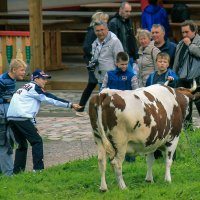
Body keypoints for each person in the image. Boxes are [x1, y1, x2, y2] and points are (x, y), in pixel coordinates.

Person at [7, 69, 81, 173]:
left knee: (22, 145)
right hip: (21, 117)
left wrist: (33, 124)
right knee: (37, 141)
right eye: (43, 79)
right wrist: (70, 104)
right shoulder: (35, 87)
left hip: (12, 117)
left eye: (46, 79)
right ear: (36, 79)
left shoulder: (25, 87)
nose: (45, 81)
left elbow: (27, 107)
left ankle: (18, 172)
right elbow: (50, 98)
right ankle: (38, 170)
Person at [101, 51, 138, 162]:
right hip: (111, 110)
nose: (124, 66)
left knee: (128, 133)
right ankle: (112, 156)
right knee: (112, 133)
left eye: (126, 64)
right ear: (116, 63)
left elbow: (136, 92)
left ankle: (130, 159)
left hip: (127, 109)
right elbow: (103, 89)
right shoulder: (109, 74)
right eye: (122, 64)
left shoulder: (132, 76)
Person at [76, 11, 109, 117]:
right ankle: (83, 108)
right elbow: (86, 47)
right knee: (94, 81)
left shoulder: (98, 31)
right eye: (105, 20)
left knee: (93, 83)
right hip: (92, 61)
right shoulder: (92, 32)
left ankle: (81, 107)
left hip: (97, 61)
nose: (106, 23)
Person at [146, 52, 178, 160]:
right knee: (155, 129)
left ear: (168, 64)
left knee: (169, 131)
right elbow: (146, 89)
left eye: (165, 62)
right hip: (154, 108)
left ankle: (172, 155)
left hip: (167, 108)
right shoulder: (151, 76)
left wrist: (172, 80)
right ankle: (156, 154)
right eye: (160, 61)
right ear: (156, 63)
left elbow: (175, 81)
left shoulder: (170, 74)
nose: (162, 64)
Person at [0, 59, 27, 176]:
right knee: (4, 142)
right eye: (22, 70)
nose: (24, 72)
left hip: (9, 114)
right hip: (2, 115)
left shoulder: (11, 79)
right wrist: (6, 100)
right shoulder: (2, 80)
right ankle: (8, 174)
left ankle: (5, 170)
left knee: (10, 142)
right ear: (14, 70)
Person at [173, 20, 200, 130]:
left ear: (194, 31)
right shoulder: (180, 44)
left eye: (187, 32)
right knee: (185, 109)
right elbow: (176, 61)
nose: (184, 35)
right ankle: (189, 132)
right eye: (182, 32)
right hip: (183, 80)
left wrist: (190, 45)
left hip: (197, 79)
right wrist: (175, 75)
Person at [90, 21, 123, 89]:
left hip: (112, 79)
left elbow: (120, 61)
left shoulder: (115, 41)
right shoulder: (95, 43)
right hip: (100, 78)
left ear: (107, 29)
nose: (100, 32)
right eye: (97, 30)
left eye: (102, 30)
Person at [108, 1, 138, 72]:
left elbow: (132, 39)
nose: (129, 13)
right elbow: (113, 42)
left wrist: (136, 56)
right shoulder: (113, 23)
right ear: (120, 10)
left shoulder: (128, 21)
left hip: (130, 56)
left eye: (130, 11)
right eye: (126, 11)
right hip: (122, 57)